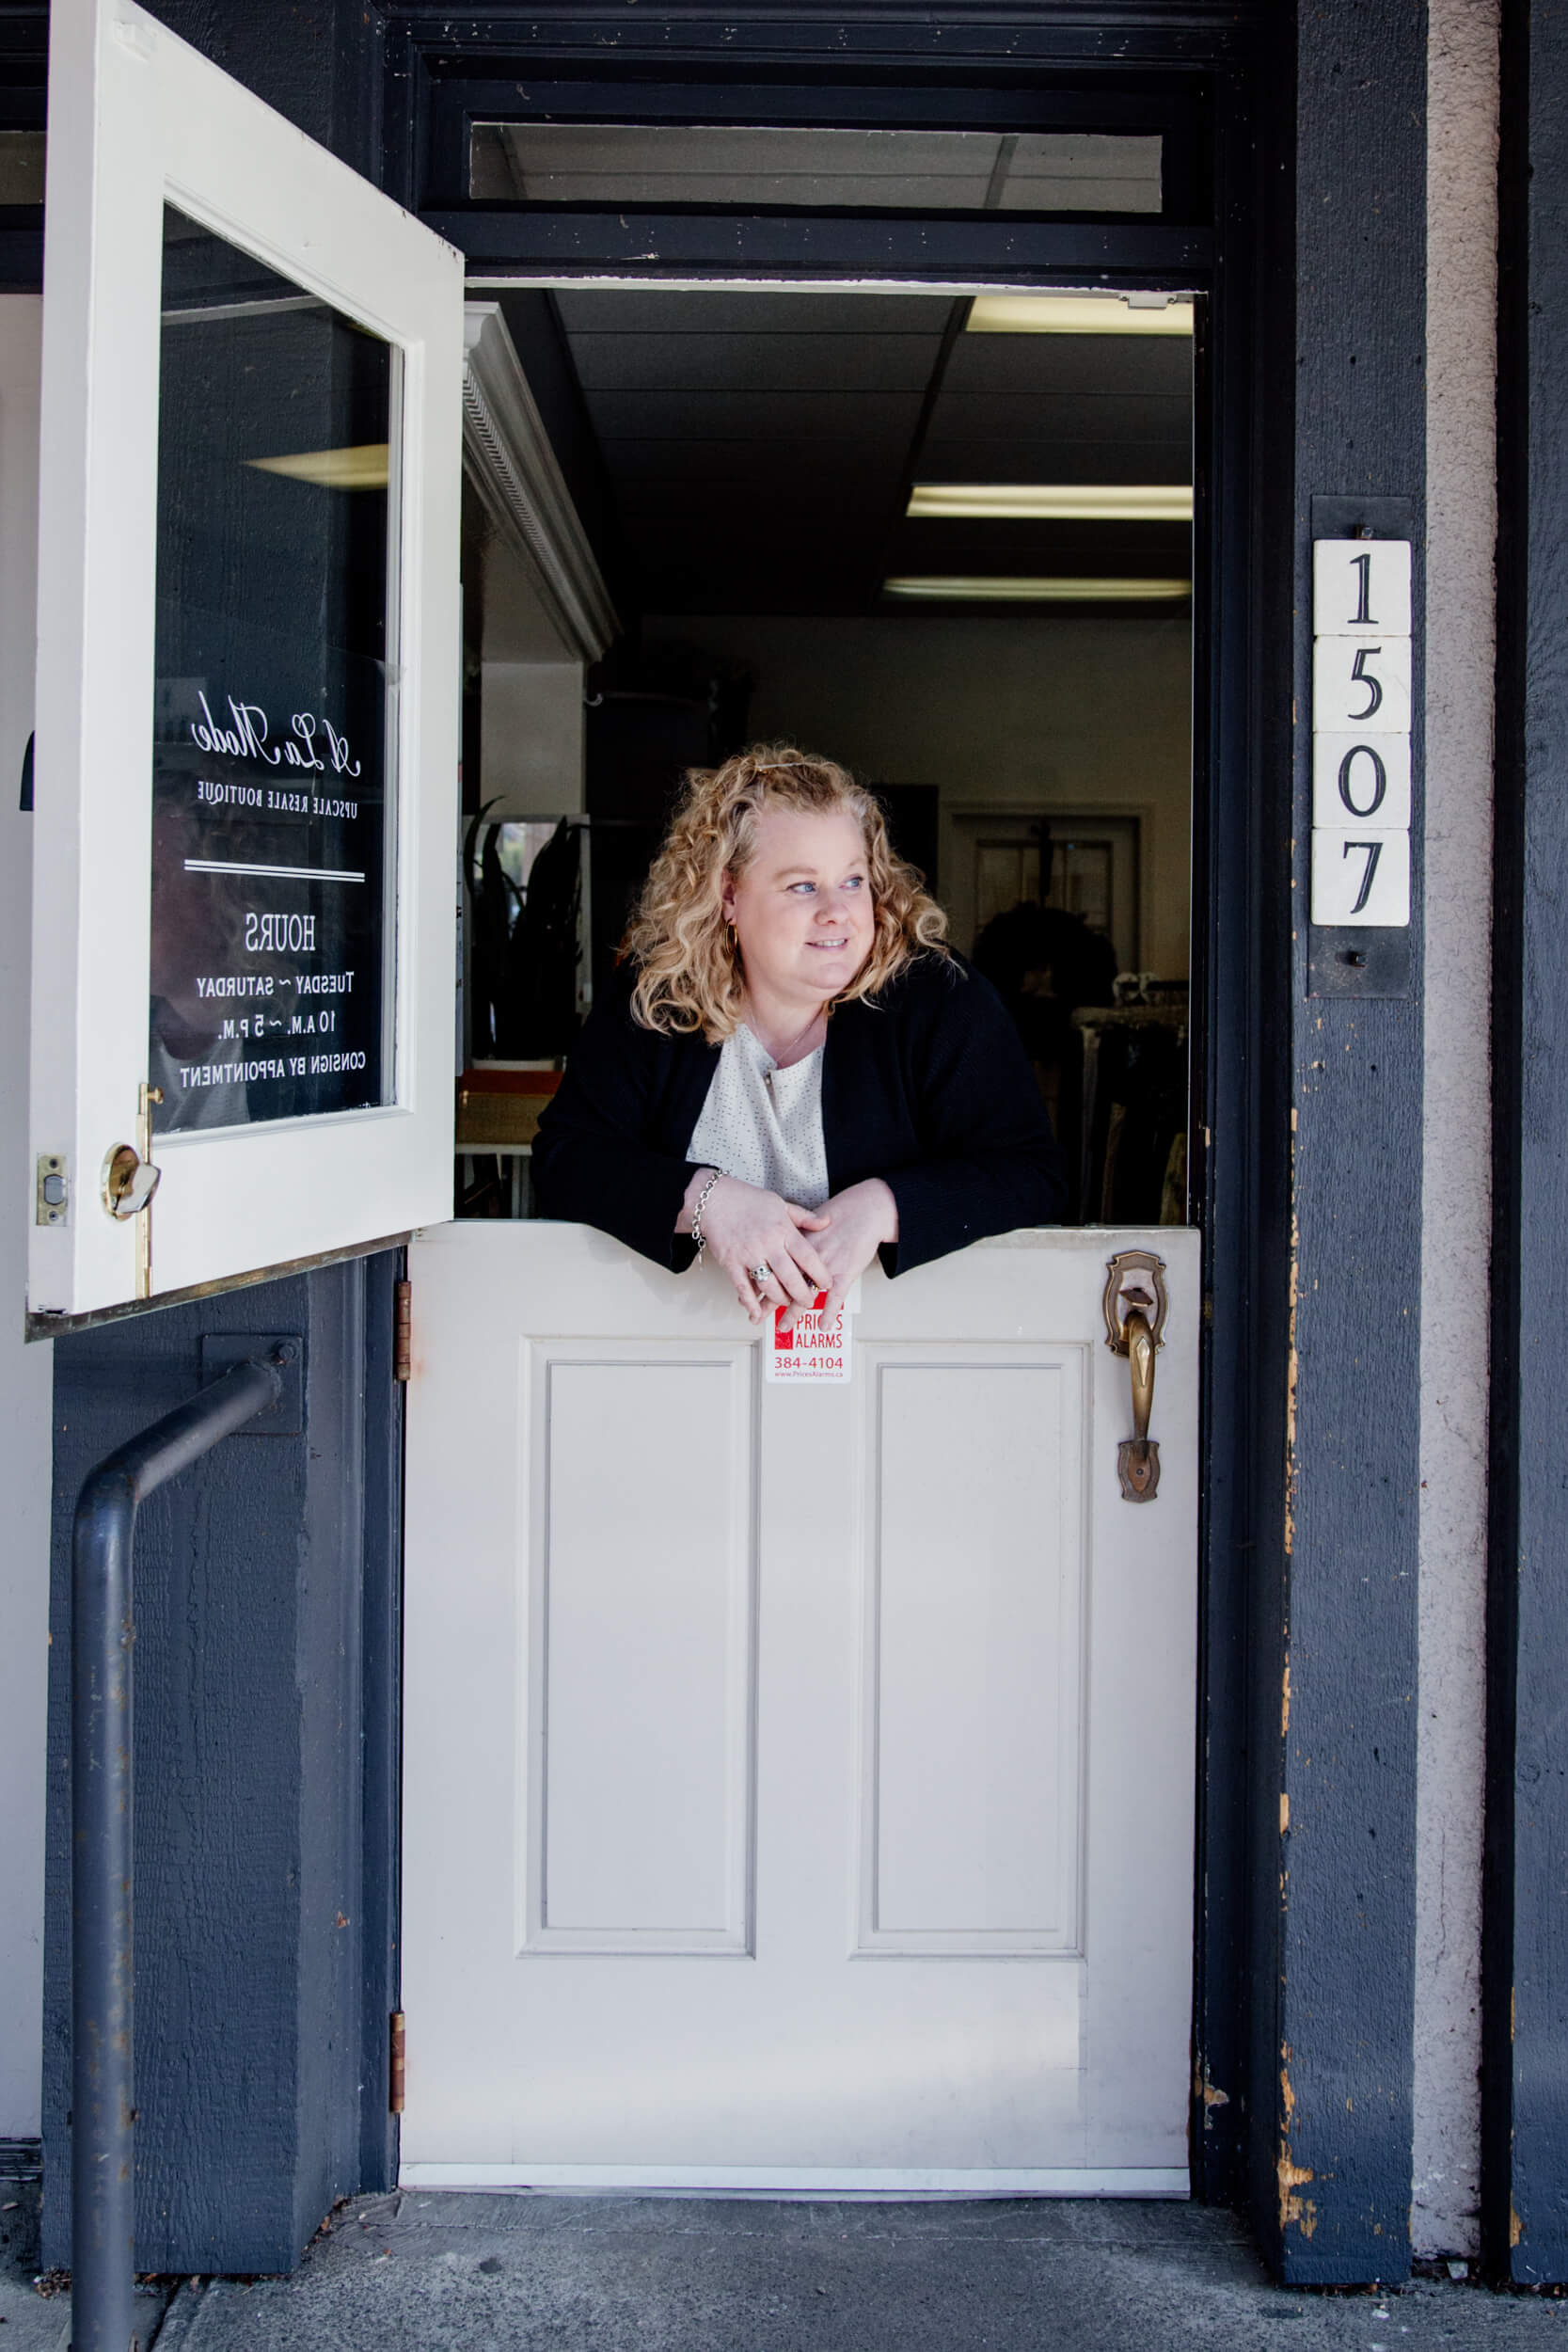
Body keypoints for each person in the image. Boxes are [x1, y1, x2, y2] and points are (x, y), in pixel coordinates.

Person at [532, 744, 1067, 1326]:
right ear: (730, 896)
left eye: (854, 880)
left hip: (898, 1349)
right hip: (687, 1340)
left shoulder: (936, 997)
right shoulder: (660, 995)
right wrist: (709, 1201)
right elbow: (567, 1160)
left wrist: (885, 1207)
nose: (839, 911)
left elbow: (1031, 1174)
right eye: (802, 886)